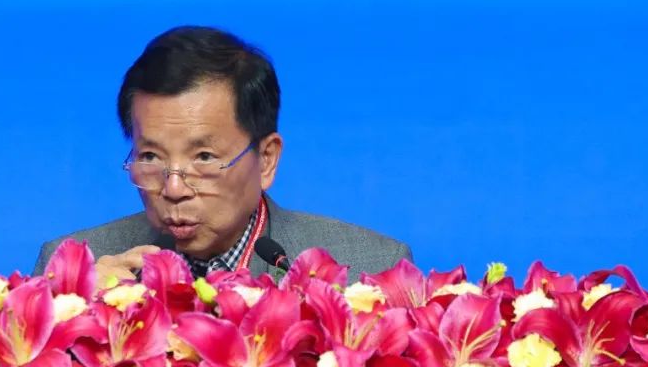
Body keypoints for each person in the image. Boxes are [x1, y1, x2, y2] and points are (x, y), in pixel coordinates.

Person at [32, 26, 411, 284]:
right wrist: (79, 317)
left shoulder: (368, 272)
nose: (174, 189)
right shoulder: (74, 273)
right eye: (151, 157)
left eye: (203, 157)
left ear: (266, 159)